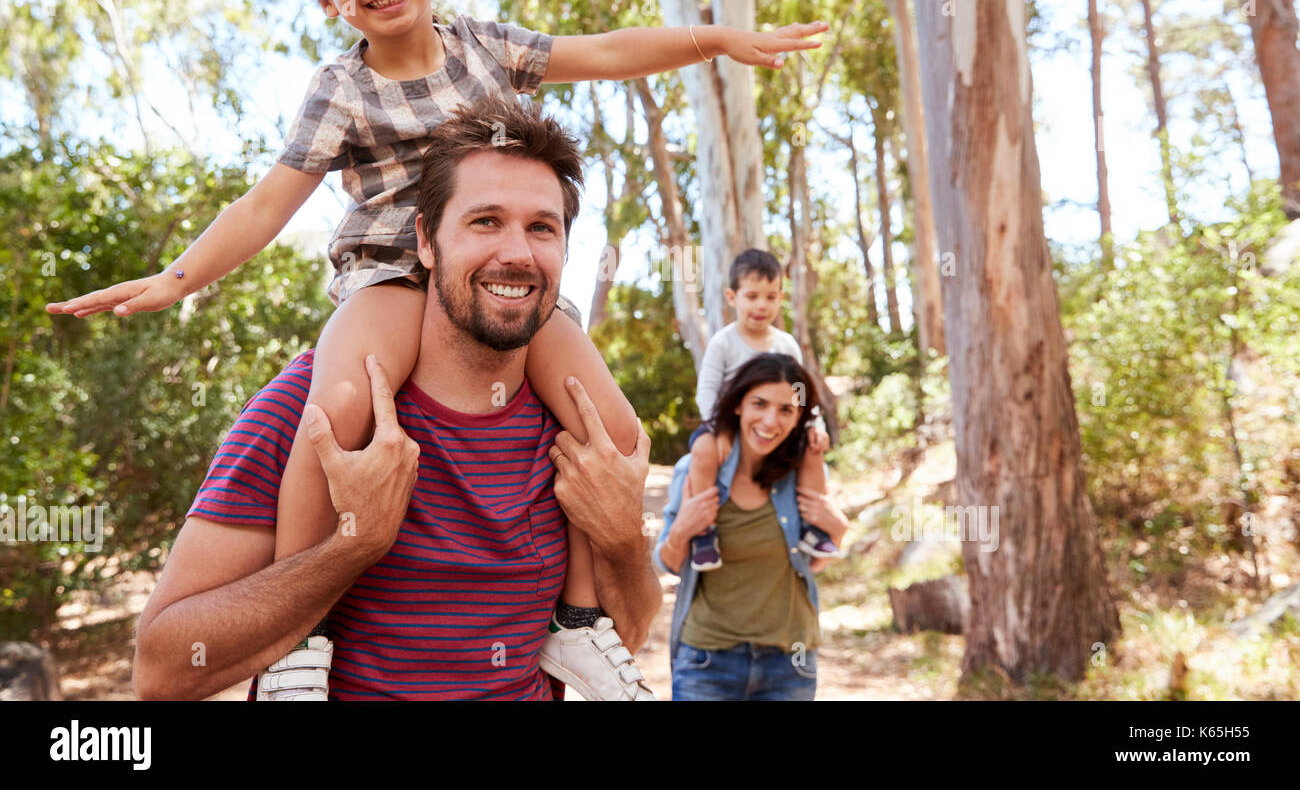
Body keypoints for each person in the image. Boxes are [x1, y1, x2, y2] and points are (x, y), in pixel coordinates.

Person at [45, 0, 826, 697]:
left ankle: (577, 625)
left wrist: (720, 40)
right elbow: (269, 201)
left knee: (617, 436)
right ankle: (301, 643)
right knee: (335, 411)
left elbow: (607, 49)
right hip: (389, 272)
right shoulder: (339, 89)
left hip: (499, 287)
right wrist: (177, 279)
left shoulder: (485, 49)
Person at [131, 96, 661, 700]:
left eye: (542, 227)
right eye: (485, 221)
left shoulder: (574, 432)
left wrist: (622, 537)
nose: (516, 253)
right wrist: (351, 547)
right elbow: (163, 673)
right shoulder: (311, 411)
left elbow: (634, 631)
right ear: (427, 242)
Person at [655, 353, 849, 700]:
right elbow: (668, 563)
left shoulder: (802, 474)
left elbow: (812, 564)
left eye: (786, 410)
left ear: (799, 418)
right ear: (738, 405)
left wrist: (838, 530)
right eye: (759, 403)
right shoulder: (696, 470)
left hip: (790, 663)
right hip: (706, 661)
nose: (770, 420)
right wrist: (683, 530)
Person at [686, 249, 837, 572]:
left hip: (774, 425)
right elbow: (707, 392)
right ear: (732, 296)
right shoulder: (723, 343)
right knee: (701, 451)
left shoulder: (786, 345)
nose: (761, 305)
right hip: (726, 423)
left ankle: (814, 527)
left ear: (780, 298)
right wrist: (720, 430)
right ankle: (703, 533)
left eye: (770, 297)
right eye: (752, 296)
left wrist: (815, 423)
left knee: (812, 449)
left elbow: (801, 392)